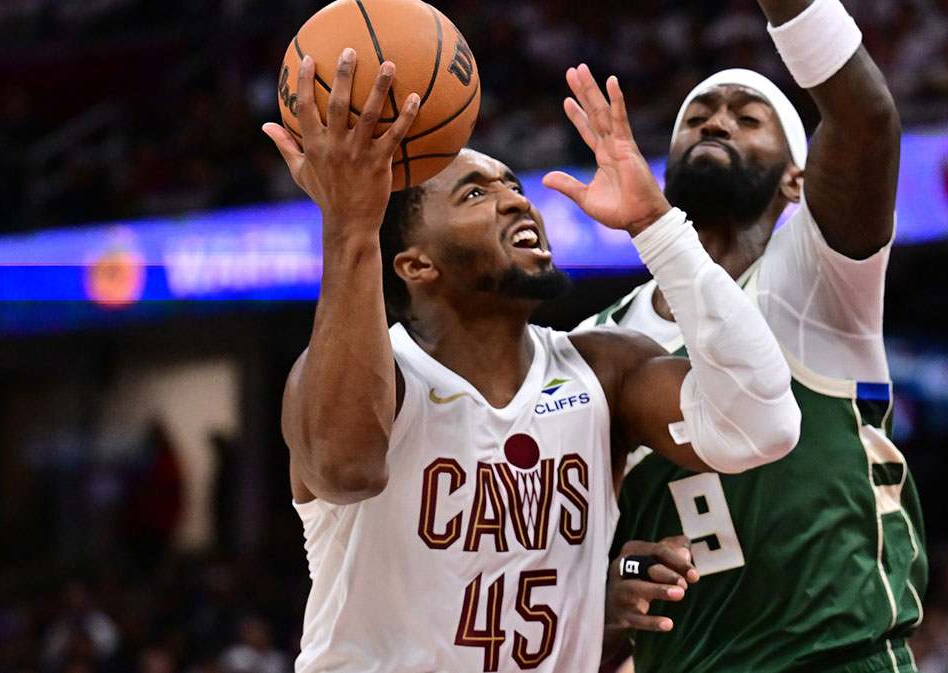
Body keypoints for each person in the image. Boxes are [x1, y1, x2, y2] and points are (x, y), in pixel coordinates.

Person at [260, 48, 801, 672]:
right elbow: (344, 469)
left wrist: (658, 225)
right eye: (474, 194)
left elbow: (766, 426)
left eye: (512, 186)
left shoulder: (603, 370)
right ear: (416, 264)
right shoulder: (370, 381)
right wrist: (351, 226)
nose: (517, 202)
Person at [587, 0, 928, 671]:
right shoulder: (595, 342)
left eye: (748, 117)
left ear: (797, 179)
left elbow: (867, 121)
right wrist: (607, 585)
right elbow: (584, 550)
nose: (717, 119)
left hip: (836, 657)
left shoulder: (817, 273)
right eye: (699, 115)